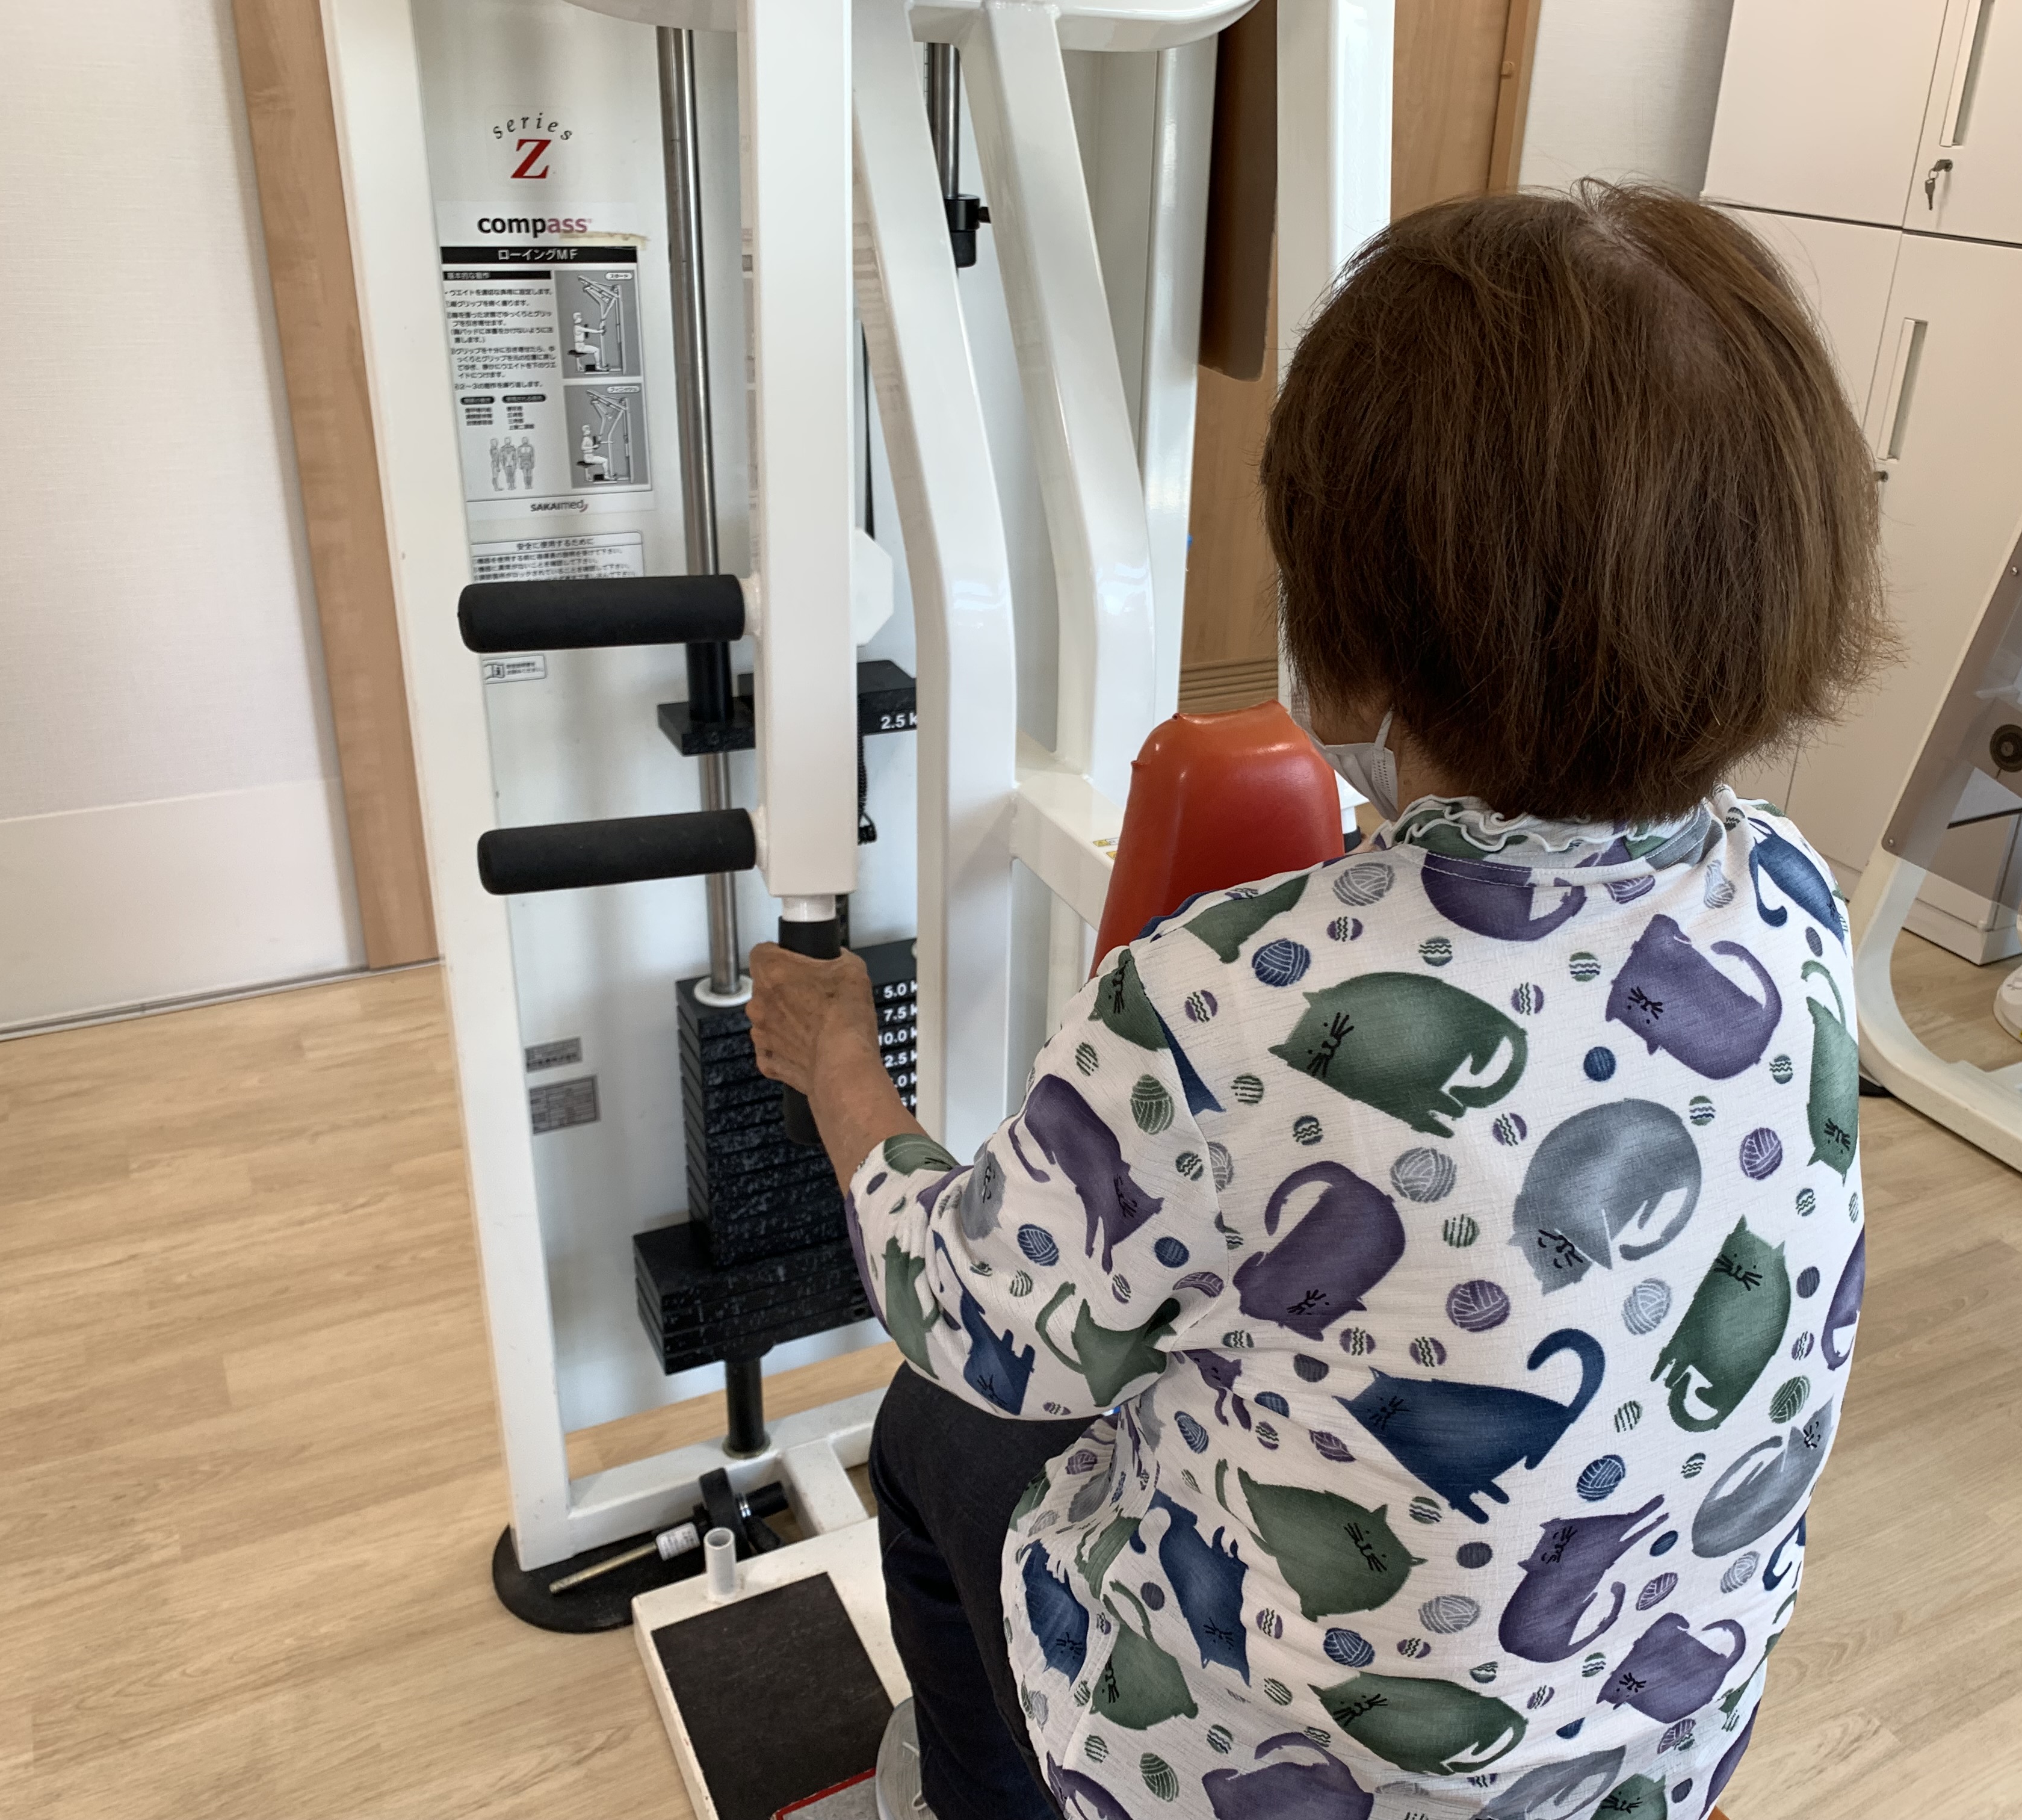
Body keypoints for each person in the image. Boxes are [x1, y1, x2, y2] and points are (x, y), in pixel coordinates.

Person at [747, 180, 1888, 1820]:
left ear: (1346, 642)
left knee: (932, 1435)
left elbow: (974, 1322)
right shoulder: (1791, 893)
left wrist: (842, 1073)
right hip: (1647, 1757)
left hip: (1254, 1780)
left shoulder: (1226, 1001)